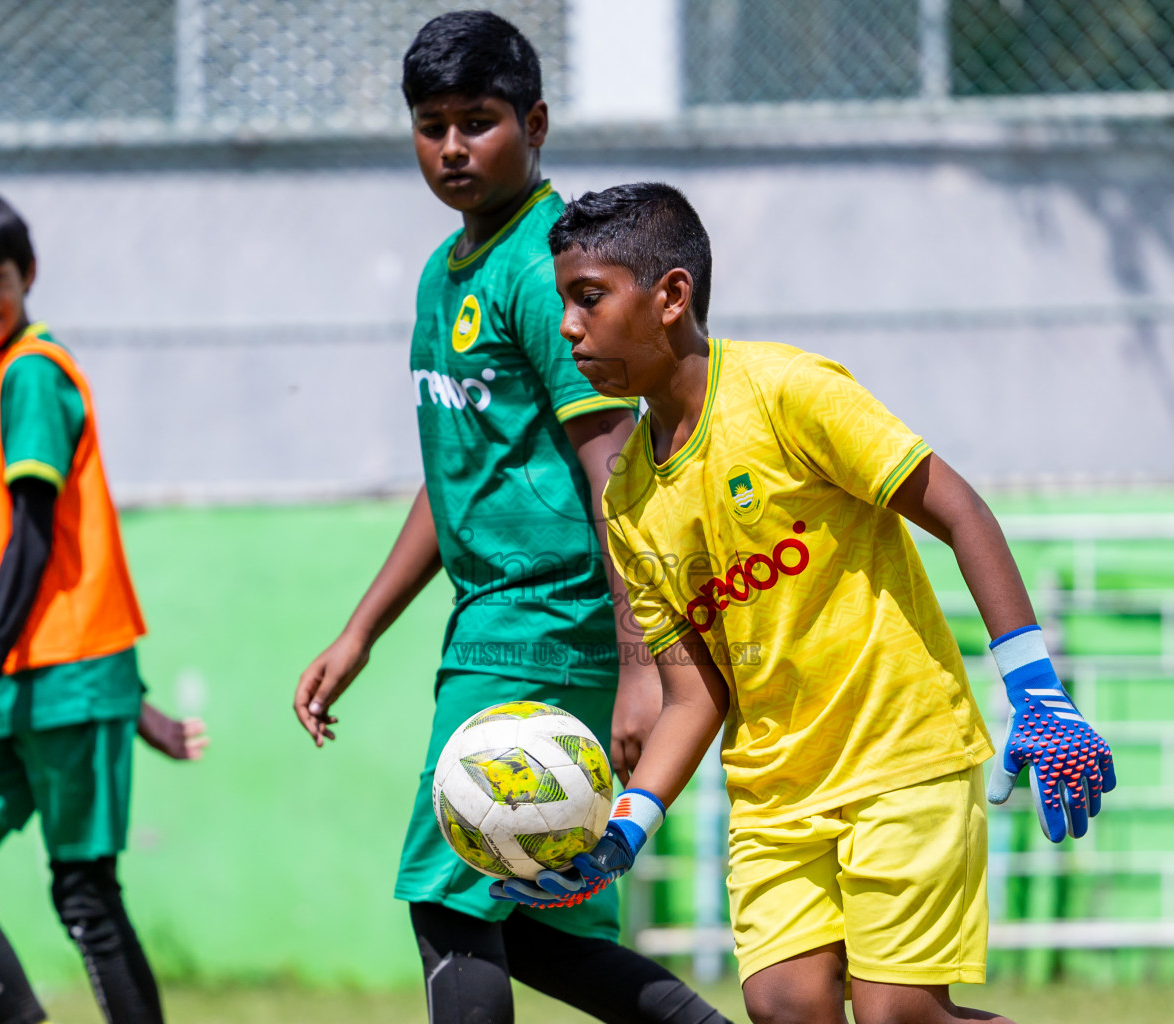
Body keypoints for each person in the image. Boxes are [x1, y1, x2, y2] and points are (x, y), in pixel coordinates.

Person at [494, 182, 1118, 1024]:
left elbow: (960, 510)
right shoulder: (630, 498)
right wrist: (626, 829)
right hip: (775, 795)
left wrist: (1034, 687)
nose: (568, 325)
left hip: (903, 757)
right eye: (564, 301)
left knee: (901, 1015)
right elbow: (694, 692)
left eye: (589, 298)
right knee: (787, 1008)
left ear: (672, 296)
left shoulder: (787, 393)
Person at [293, 13, 727, 1024]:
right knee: (538, 914)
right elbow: (458, 475)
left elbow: (613, 463)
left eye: (478, 121)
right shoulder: (447, 271)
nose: (452, 147)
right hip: (497, 627)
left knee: (449, 895)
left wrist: (639, 662)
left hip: (539, 626)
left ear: (533, 123)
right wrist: (361, 630)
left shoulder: (544, 266)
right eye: (431, 124)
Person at [0, 189, 208, 1024]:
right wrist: (137, 709)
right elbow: (66, 558)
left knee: (84, 894)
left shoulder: (31, 372)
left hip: (58, 679)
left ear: (26, 273)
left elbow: (34, 546)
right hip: (33, 677)